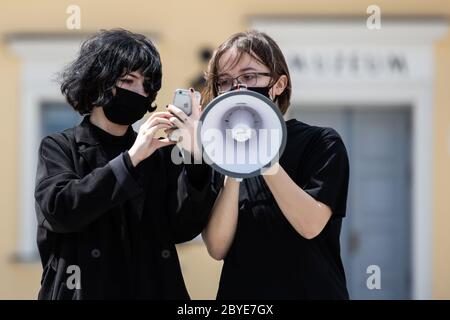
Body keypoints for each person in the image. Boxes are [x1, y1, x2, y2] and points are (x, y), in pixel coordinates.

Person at [34, 29, 214, 299]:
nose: (140, 91)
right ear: (98, 82)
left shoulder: (160, 152)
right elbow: (60, 210)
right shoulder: (59, 146)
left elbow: (182, 227)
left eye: (147, 84)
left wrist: (195, 160)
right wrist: (130, 160)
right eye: (129, 80)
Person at [201, 30, 350, 299]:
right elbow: (217, 247)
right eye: (225, 81)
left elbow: (310, 225)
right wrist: (232, 168)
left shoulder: (321, 142)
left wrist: (263, 154)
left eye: (248, 76)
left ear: (279, 85)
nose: (237, 89)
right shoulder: (217, 151)